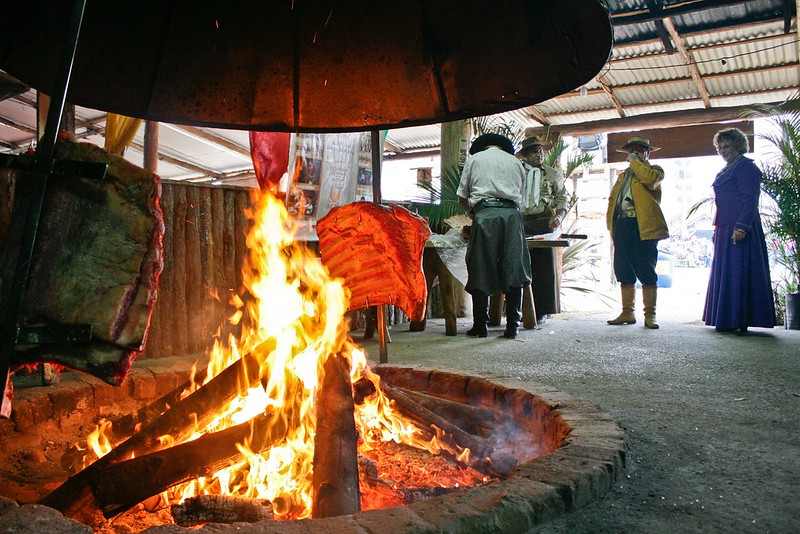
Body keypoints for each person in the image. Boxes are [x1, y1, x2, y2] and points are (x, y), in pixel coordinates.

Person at [457, 133, 532, 339]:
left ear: (481, 147)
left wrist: (475, 213)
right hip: (512, 216)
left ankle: (480, 327)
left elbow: (462, 196)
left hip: (484, 215)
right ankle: (512, 327)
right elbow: (522, 199)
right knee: (514, 267)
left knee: (480, 266)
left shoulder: (474, 160)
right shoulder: (516, 162)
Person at [703, 128, 776, 335]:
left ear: (737, 145)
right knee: (728, 272)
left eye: (726, 146)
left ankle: (740, 319)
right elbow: (721, 203)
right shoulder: (727, 169)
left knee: (738, 272)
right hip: (725, 227)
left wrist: (742, 226)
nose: (722, 150)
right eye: (719, 147)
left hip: (740, 227)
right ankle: (728, 319)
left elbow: (750, 199)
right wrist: (717, 228)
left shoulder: (746, 167)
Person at [606, 136, 669, 329]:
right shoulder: (622, 176)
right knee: (623, 268)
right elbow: (613, 201)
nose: (635, 152)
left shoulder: (655, 171)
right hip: (622, 225)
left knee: (646, 268)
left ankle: (650, 315)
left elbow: (649, 179)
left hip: (643, 226)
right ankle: (627, 312)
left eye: (640, 149)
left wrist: (635, 162)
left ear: (647, 153)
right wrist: (612, 225)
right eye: (631, 150)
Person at [517, 133, 568, 324]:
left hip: (543, 222)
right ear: (526, 155)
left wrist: (559, 216)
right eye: (534, 152)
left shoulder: (553, 174)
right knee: (520, 265)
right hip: (520, 221)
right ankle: (518, 309)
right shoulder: (516, 172)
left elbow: (562, 198)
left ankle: (542, 310)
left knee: (543, 266)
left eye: (541, 151)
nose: (539, 155)